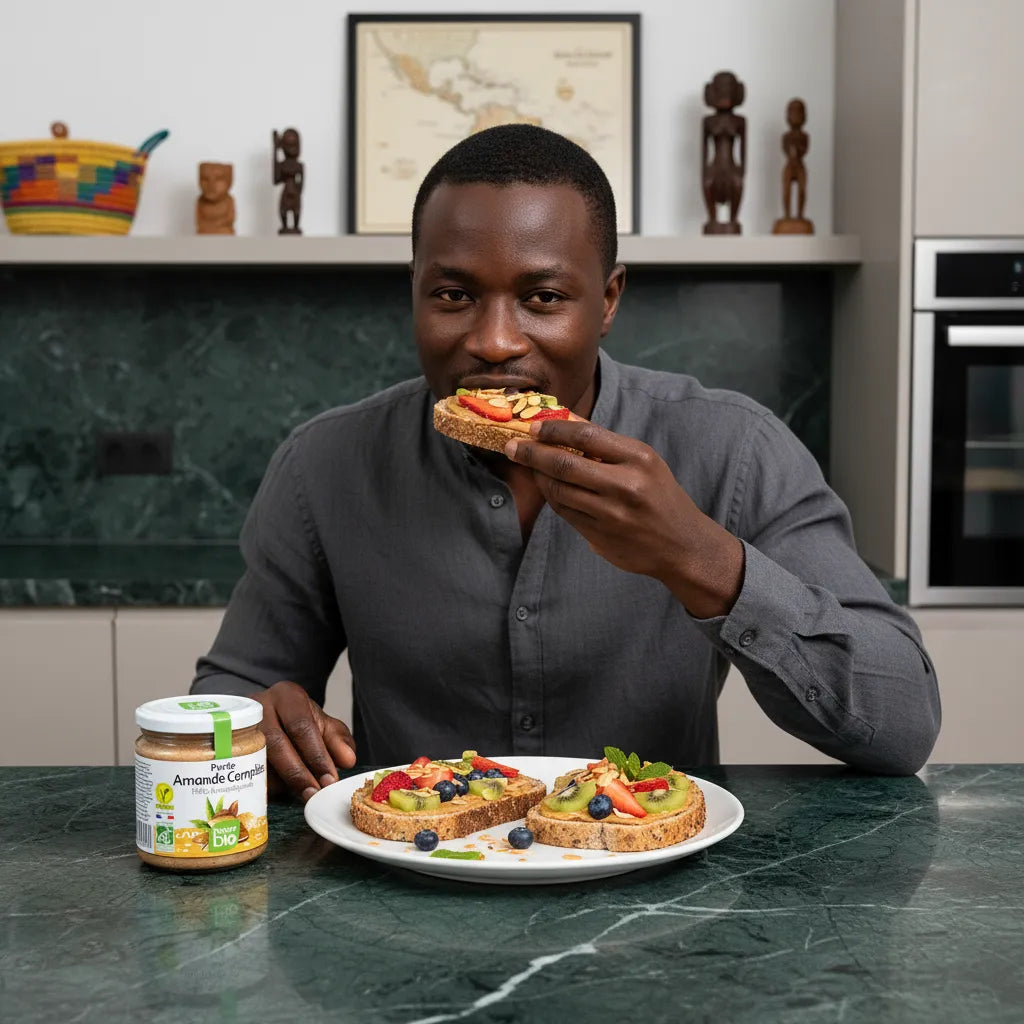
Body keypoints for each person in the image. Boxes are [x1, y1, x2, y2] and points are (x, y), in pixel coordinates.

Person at [192, 124, 940, 802]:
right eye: (452, 295)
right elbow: (234, 686)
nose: (493, 341)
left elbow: (903, 725)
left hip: (656, 906)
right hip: (409, 889)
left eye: (543, 297)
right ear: (414, 294)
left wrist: (700, 558)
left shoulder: (733, 449)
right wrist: (253, 720)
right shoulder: (325, 465)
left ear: (608, 299)